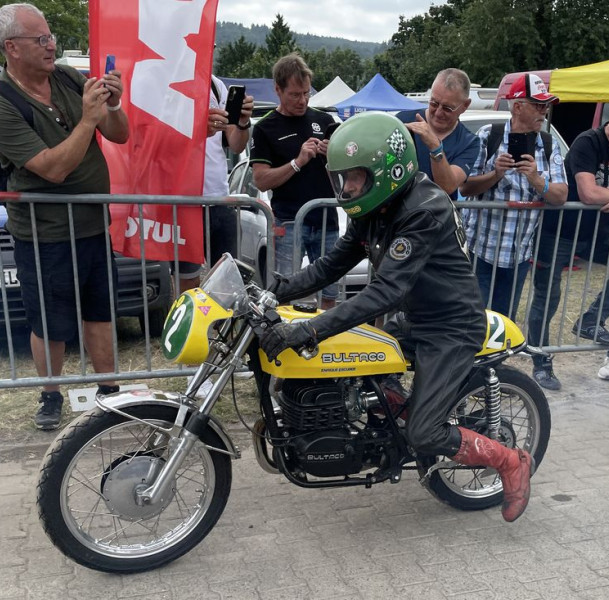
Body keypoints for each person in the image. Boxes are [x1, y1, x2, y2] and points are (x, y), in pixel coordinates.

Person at [259, 111, 533, 523]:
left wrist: (308, 330)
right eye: (343, 178)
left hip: (451, 327)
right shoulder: (377, 204)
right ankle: (394, 429)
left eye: (355, 177)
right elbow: (330, 265)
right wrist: (273, 289)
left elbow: (385, 291)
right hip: (413, 318)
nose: (347, 188)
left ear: (387, 171)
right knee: (357, 376)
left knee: (424, 433)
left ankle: (510, 461)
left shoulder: (424, 209)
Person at [0, 3, 129, 430]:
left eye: (50, 37)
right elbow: (53, 167)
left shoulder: (65, 75)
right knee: (50, 323)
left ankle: (110, 392)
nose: (51, 45)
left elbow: (118, 134)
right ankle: (50, 396)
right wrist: (87, 120)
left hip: (91, 224)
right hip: (42, 233)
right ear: (12, 48)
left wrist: (113, 106)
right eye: (40, 39)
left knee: (100, 312)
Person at [527, 97, 609, 388]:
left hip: (598, 234)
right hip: (558, 232)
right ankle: (541, 362)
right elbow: (587, 193)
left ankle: (591, 320)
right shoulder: (588, 142)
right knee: (547, 298)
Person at [461, 73, 568, 319]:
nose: (544, 111)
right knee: (473, 321)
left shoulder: (548, 144)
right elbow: (466, 188)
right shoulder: (489, 135)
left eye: (547, 105)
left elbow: (561, 196)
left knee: (504, 322)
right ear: (518, 107)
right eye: (539, 105)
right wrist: (495, 174)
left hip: (518, 255)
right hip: (481, 251)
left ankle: (495, 360)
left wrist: (536, 179)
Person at [251, 53, 339, 309]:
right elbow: (261, 180)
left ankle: (326, 342)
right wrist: (297, 162)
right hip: (288, 222)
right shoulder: (265, 127)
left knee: (330, 292)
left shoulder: (325, 121)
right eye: (295, 94)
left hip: (326, 221)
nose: (302, 101)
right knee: (284, 292)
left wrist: (333, 155)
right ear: (277, 90)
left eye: (306, 94)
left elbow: (346, 174)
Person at [176, 76, 254, 292]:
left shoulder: (216, 85)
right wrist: (199, 127)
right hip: (185, 201)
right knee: (188, 283)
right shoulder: (172, 78)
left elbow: (236, 145)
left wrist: (243, 122)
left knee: (230, 282)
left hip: (219, 197)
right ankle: (191, 324)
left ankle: (223, 325)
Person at [396, 68, 479, 201]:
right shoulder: (403, 120)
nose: (439, 112)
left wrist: (435, 146)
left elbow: (447, 187)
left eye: (447, 108)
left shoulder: (469, 142)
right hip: (397, 217)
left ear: (465, 105)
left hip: (435, 219)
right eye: (434, 103)